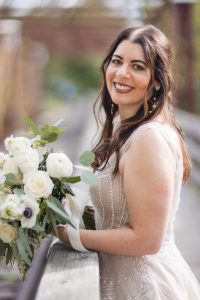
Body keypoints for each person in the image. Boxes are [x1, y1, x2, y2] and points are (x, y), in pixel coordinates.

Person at [57, 25, 200, 299]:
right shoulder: (129, 131)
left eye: (138, 66)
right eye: (117, 61)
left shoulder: (148, 139)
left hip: (144, 285)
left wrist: (69, 235)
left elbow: (147, 239)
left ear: (157, 80)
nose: (122, 74)